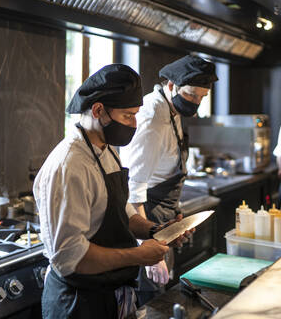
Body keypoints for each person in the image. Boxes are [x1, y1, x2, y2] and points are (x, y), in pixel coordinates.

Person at [33, 64, 190, 319]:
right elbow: (70, 256)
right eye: (128, 115)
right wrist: (138, 255)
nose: (135, 124)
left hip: (109, 295)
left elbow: (122, 211)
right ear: (98, 110)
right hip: (78, 303)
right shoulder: (69, 165)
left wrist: (156, 231)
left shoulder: (106, 149)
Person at [120, 55, 218, 305]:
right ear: (171, 85)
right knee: (151, 297)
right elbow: (133, 189)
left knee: (162, 288)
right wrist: (148, 247)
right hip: (146, 216)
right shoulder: (152, 117)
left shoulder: (170, 108)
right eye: (191, 95)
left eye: (201, 97)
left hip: (163, 213)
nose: (195, 102)